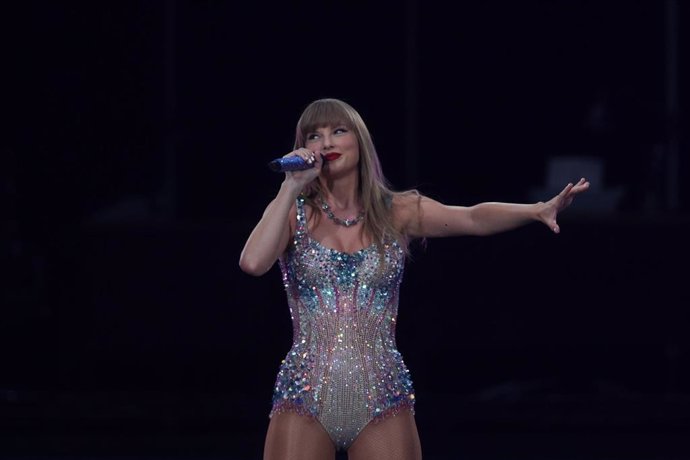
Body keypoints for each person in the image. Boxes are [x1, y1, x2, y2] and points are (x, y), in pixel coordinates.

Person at [239, 98, 590, 460]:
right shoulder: (294, 212)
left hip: (381, 394)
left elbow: (471, 218)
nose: (326, 143)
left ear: (359, 141)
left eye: (338, 131)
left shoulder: (397, 211)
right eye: (315, 135)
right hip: (304, 395)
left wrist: (536, 210)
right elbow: (252, 262)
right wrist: (289, 188)